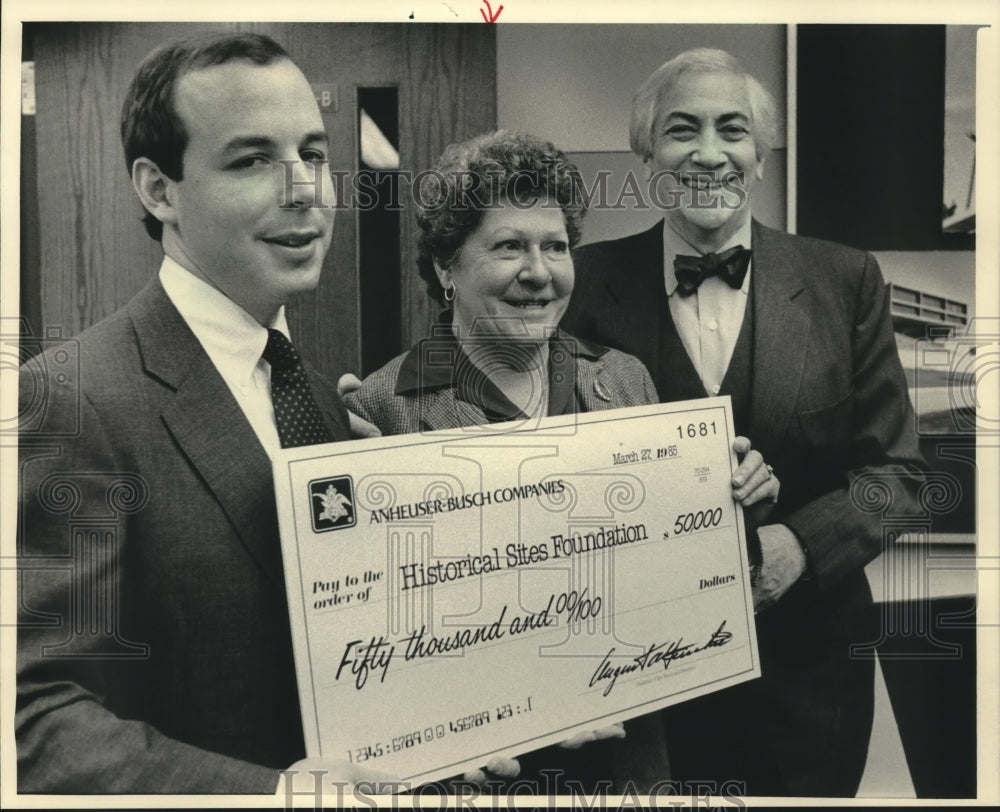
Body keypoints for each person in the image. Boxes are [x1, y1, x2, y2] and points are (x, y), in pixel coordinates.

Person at [345, 129, 782, 792]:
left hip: (623, 765)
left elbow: (674, 585)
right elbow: (374, 648)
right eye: (508, 247)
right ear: (445, 268)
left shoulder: (624, 381)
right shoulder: (384, 407)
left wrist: (735, 512)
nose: (540, 272)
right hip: (476, 776)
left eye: (555, 246)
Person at [15, 32, 390, 794]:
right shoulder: (70, 397)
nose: (306, 191)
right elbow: (35, 718)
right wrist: (273, 797)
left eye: (314, 155)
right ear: (159, 190)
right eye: (252, 160)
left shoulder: (325, 400)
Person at [561, 48, 926, 796]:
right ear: (648, 155)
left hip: (807, 677)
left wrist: (799, 544)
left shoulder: (845, 279)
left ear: (760, 154)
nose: (708, 153)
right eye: (681, 130)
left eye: (731, 130)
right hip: (636, 678)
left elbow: (898, 476)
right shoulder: (584, 280)